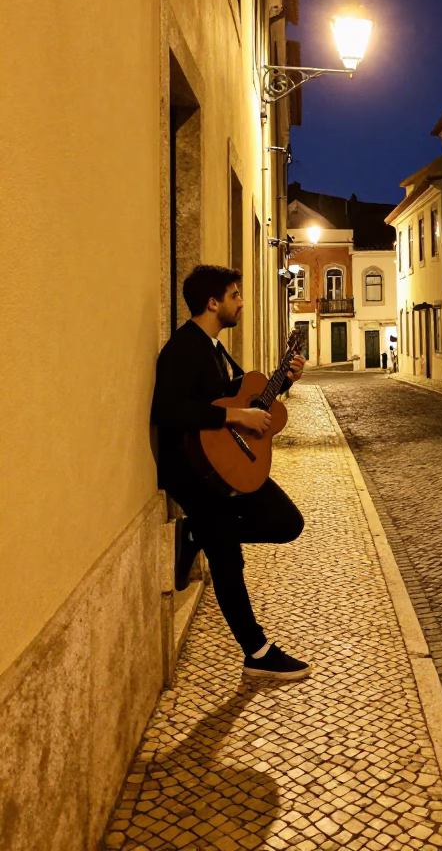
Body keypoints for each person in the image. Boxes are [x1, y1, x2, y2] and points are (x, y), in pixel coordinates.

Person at [151, 264, 310, 681]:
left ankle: (195, 533)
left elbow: (245, 398)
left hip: (227, 465)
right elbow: (167, 410)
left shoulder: (215, 349)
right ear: (212, 302)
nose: (241, 302)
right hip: (193, 470)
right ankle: (256, 652)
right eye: (236, 294)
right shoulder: (184, 348)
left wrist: (285, 381)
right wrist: (236, 415)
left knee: (287, 521)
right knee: (227, 558)